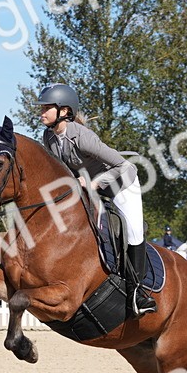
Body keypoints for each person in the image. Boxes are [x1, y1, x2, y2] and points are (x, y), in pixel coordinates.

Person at [36, 83, 154, 316]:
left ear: (64, 111)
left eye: (47, 108)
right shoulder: (48, 137)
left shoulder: (83, 137)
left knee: (132, 232)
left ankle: (138, 295)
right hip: (89, 188)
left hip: (121, 184)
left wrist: (93, 183)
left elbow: (123, 164)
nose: (41, 112)